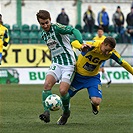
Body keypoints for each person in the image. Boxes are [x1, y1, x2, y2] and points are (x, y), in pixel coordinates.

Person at [36, 10, 87, 125]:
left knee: (63, 91)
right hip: (56, 63)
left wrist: (81, 42)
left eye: (47, 22)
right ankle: (46, 113)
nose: (45, 25)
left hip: (69, 64)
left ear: (50, 19)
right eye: (42, 24)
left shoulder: (57, 28)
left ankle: (66, 113)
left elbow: (74, 30)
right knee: (46, 85)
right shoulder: (43, 34)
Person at [68, 37, 133, 119]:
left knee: (97, 101)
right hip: (78, 76)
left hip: (92, 77)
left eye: (109, 51)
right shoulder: (93, 45)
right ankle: (65, 115)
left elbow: (124, 63)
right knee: (65, 97)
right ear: (103, 44)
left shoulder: (111, 53)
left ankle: (93, 103)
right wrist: (80, 46)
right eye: (106, 50)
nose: (107, 53)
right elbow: (74, 41)